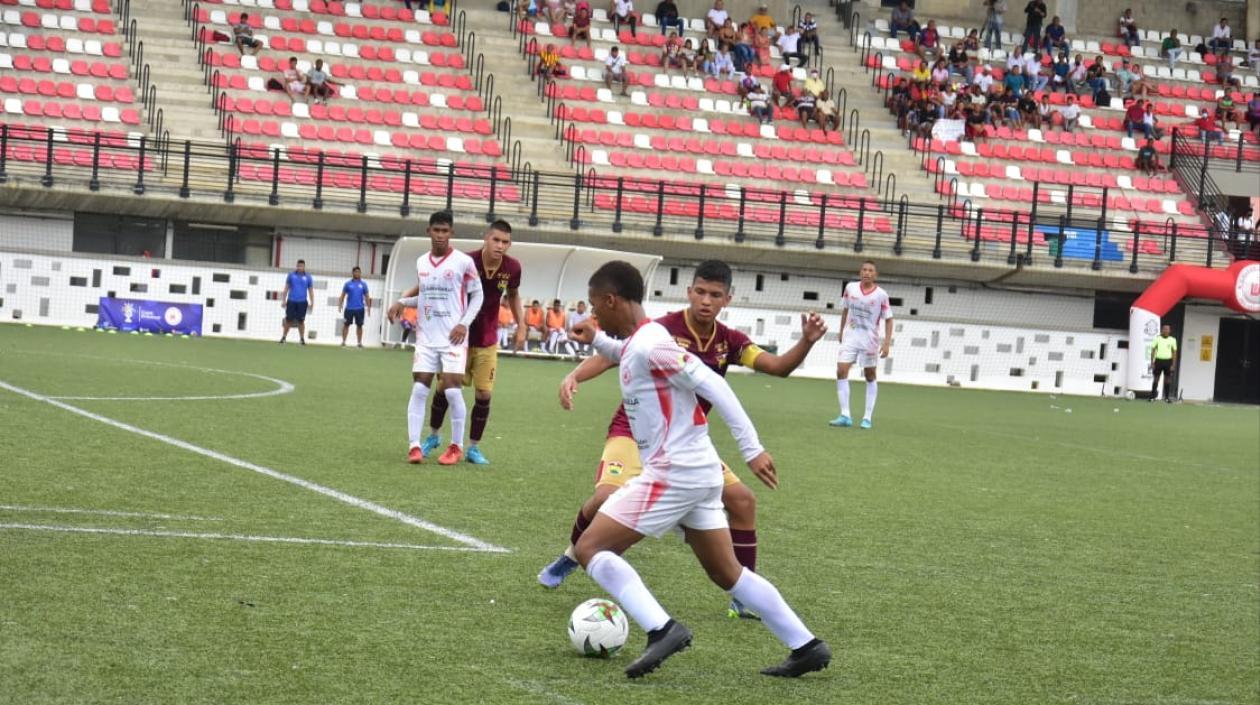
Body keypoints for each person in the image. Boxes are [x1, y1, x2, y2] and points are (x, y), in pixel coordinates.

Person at [557, 261, 831, 679]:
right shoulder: (642, 342)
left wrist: (752, 448)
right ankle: (806, 645)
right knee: (727, 573)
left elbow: (714, 384)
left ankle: (661, 629)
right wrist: (597, 339)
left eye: (597, 308)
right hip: (697, 473)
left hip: (675, 471)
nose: (595, 314)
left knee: (592, 548)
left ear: (612, 300)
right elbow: (628, 354)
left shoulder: (654, 344)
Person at [408, 220, 524, 466]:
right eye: (496, 240)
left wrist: (521, 325)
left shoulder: (513, 268)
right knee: (443, 388)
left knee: (483, 394)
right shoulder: (466, 260)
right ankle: (434, 436)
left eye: (505, 242)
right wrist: (403, 299)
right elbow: (430, 283)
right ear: (486, 238)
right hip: (457, 339)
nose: (500, 246)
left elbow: (513, 295)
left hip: (487, 340)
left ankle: (473, 448)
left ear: (510, 244)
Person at [387, 211, 485, 466]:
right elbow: (427, 297)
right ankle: (414, 446)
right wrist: (401, 302)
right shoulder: (421, 263)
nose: (440, 235)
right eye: (436, 230)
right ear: (428, 231)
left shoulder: (463, 262)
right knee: (420, 387)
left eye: (445, 231)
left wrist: (464, 323)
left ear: (451, 233)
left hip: (453, 337)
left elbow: (478, 296)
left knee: (452, 389)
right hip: (426, 337)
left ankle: (456, 446)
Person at [829, 261, 893, 430]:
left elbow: (889, 319)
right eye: (864, 269)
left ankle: (867, 417)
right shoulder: (850, 288)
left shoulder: (881, 295)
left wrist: (886, 343)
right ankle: (845, 415)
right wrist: (841, 330)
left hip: (869, 340)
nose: (867, 272)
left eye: (870, 270)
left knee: (869, 375)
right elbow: (845, 310)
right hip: (850, 336)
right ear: (860, 272)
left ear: (875, 275)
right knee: (841, 370)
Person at [279, 259, 314, 345]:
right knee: (288, 320)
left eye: (301, 266)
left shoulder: (308, 277)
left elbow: (310, 290)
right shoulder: (291, 275)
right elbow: (286, 288)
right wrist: (283, 300)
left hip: (302, 302)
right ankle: (283, 338)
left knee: (301, 321)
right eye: (298, 266)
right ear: (296, 266)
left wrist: (312, 302)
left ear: (304, 267)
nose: (300, 268)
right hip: (291, 301)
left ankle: (302, 339)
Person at [338, 266, 371, 347]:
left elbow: (367, 296)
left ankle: (359, 343)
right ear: (353, 273)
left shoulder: (363, 284)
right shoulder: (348, 284)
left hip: (360, 309)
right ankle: (343, 342)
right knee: (346, 325)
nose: (357, 273)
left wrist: (368, 307)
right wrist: (340, 305)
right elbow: (342, 295)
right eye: (355, 272)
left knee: (359, 326)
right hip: (349, 309)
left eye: (359, 272)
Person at [1149, 324, 1177, 402]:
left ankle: (1167, 398)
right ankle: (1152, 397)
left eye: (1167, 329)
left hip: (1168, 361)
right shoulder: (1157, 339)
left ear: (1170, 331)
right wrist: (1152, 362)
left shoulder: (1172, 340)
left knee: (1167, 379)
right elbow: (1153, 350)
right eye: (1164, 329)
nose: (1166, 330)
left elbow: (1174, 352)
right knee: (1156, 379)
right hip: (1158, 361)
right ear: (1162, 330)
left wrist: (1173, 364)